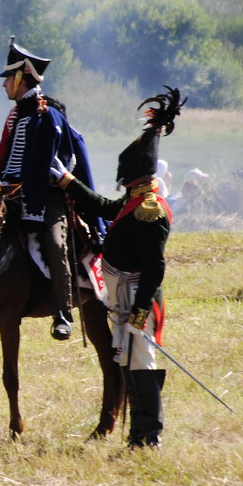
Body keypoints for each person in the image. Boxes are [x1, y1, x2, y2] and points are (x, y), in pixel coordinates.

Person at [50, 86, 185, 449]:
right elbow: (109, 209)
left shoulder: (150, 210)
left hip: (139, 296)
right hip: (123, 293)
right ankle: (136, 434)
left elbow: (154, 268)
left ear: (138, 177)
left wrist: (140, 312)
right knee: (128, 360)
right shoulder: (136, 198)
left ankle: (148, 436)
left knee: (142, 362)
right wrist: (69, 182)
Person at [0, 36, 97, 341]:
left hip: (46, 196)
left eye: (7, 78)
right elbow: (2, 154)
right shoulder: (15, 115)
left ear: (21, 77)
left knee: (53, 242)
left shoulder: (48, 116)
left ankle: (63, 312)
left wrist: (31, 202)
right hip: (10, 192)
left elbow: (51, 165)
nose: (3, 85)